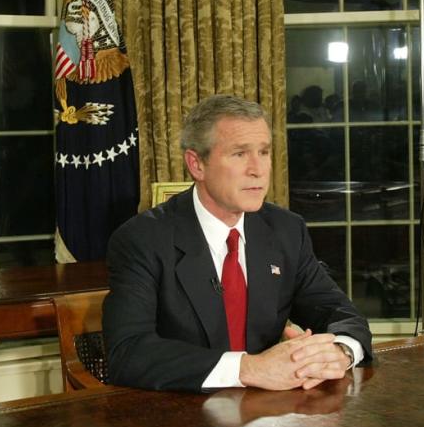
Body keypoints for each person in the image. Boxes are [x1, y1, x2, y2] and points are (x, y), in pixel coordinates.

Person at [103, 95, 372, 392]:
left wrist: (339, 352)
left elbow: (340, 313)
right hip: (181, 415)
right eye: (240, 154)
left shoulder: (285, 229)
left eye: (264, 152)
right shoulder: (142, 240)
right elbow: (128, 353)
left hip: (272, 416)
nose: (258, 169)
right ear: (197, 164)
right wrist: (249, 368)